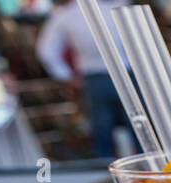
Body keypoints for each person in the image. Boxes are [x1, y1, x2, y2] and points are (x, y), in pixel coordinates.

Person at [36, 0, 130, 158]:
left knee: (103, 136)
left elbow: (46, 52)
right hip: (127, 75)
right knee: (141, 130)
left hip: (95, 80)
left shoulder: (65, 15)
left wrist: (66, 77)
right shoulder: (122, 6)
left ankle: (106, 176)